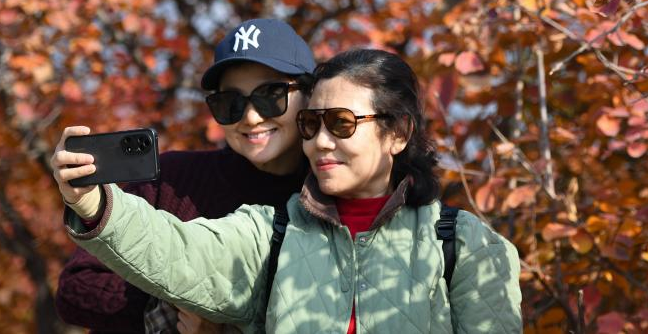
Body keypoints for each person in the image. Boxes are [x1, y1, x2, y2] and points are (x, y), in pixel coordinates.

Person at [52, 48, 522, 333]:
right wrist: (94, 203)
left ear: (398, 132)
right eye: (311, 124)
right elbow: (176, 249)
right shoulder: (272, 230)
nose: (320, 141)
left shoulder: (463, 247)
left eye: (341, 124)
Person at [55, 18, 315, 334]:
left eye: (271, 95)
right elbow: (76, 289)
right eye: (229, 103)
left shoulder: (329, 194)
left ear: (310, 95)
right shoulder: (173, 179)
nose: (251, 117)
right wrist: (174, 310)